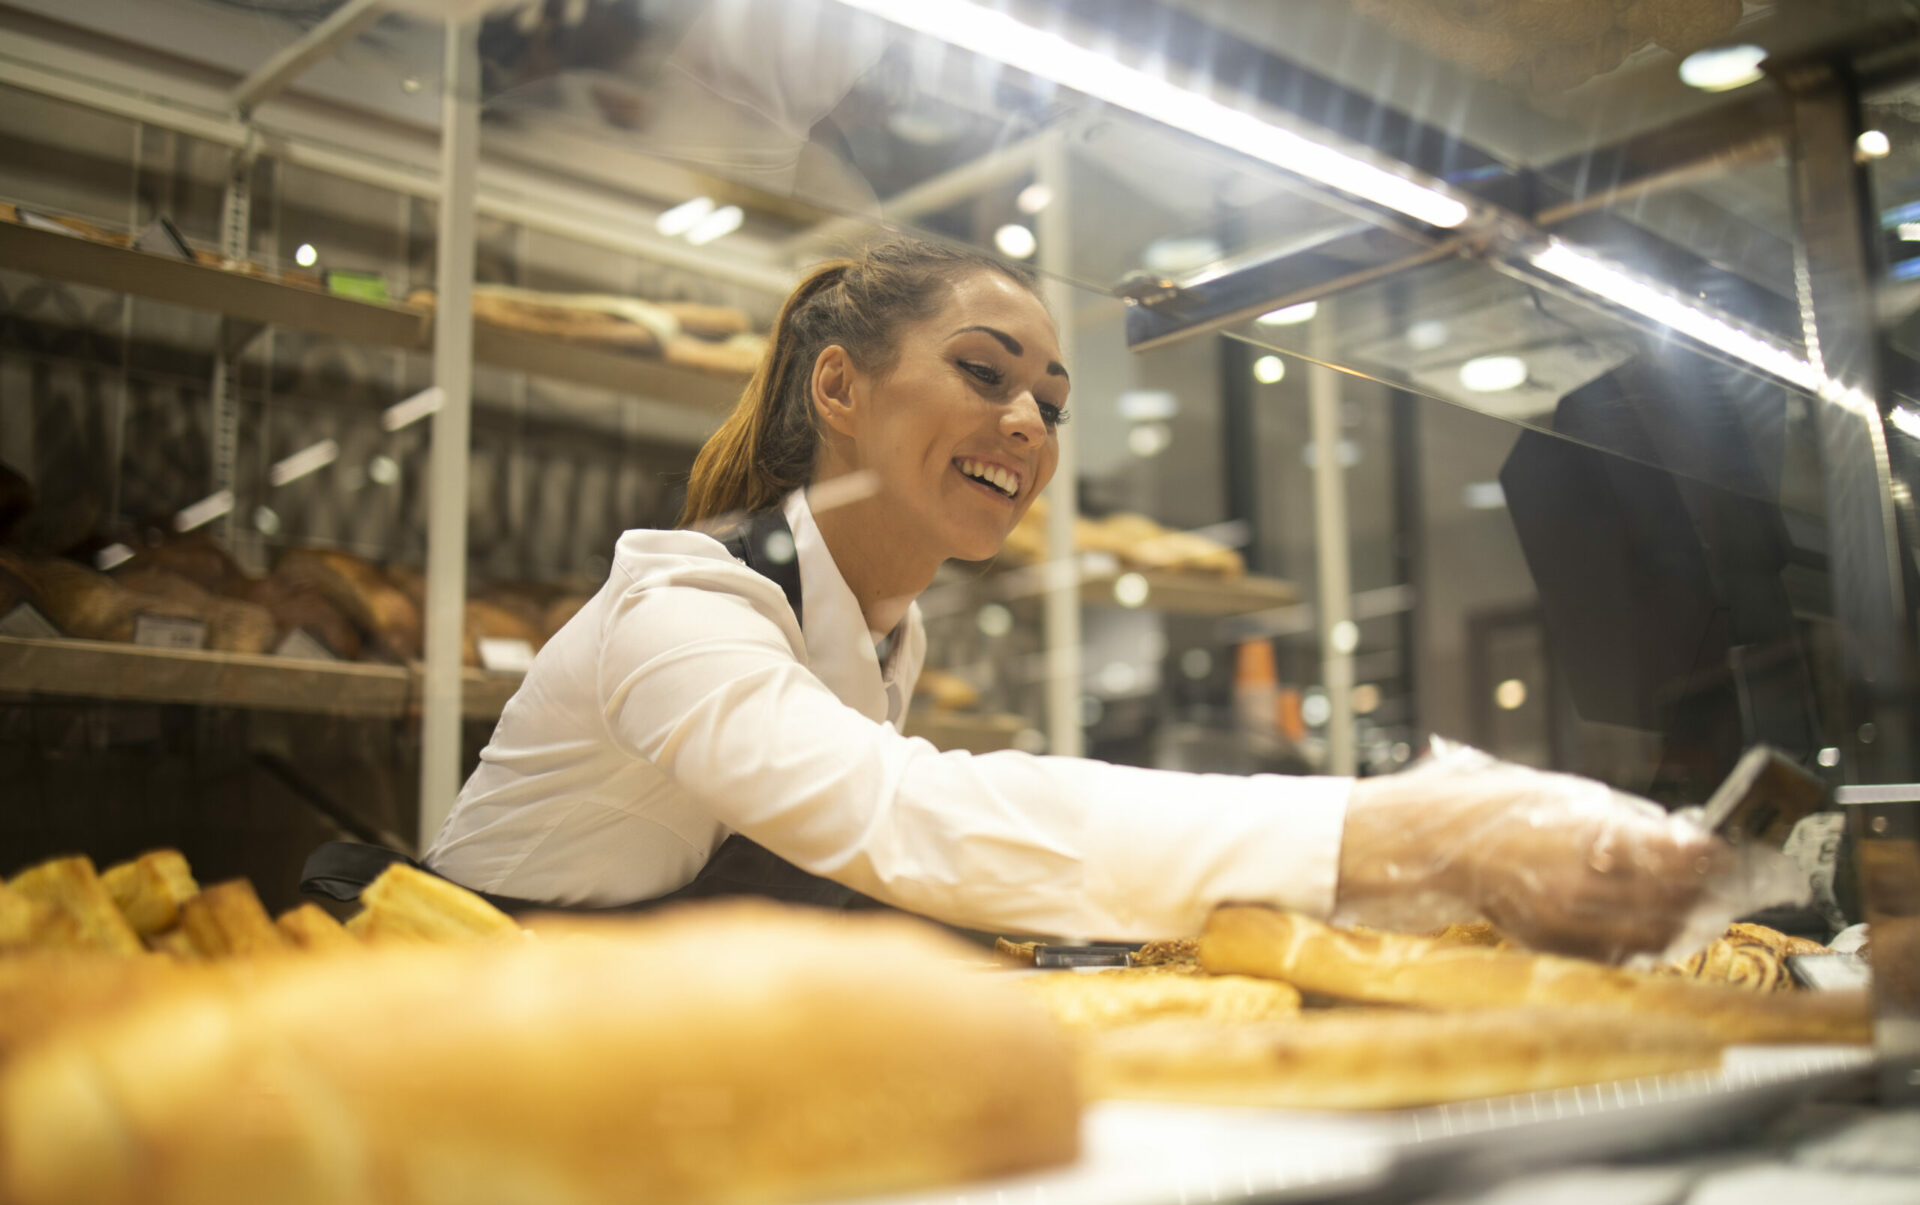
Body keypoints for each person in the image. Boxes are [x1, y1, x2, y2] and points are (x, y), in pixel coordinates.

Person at [423, 237, 1724, 962]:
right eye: (984, 372)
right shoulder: (685, 608)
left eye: (1049, 398)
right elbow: (902, 812)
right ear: (838, 391)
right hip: (453, 1034)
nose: (1027, 422)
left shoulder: (886, 629)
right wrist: (1392, 833)